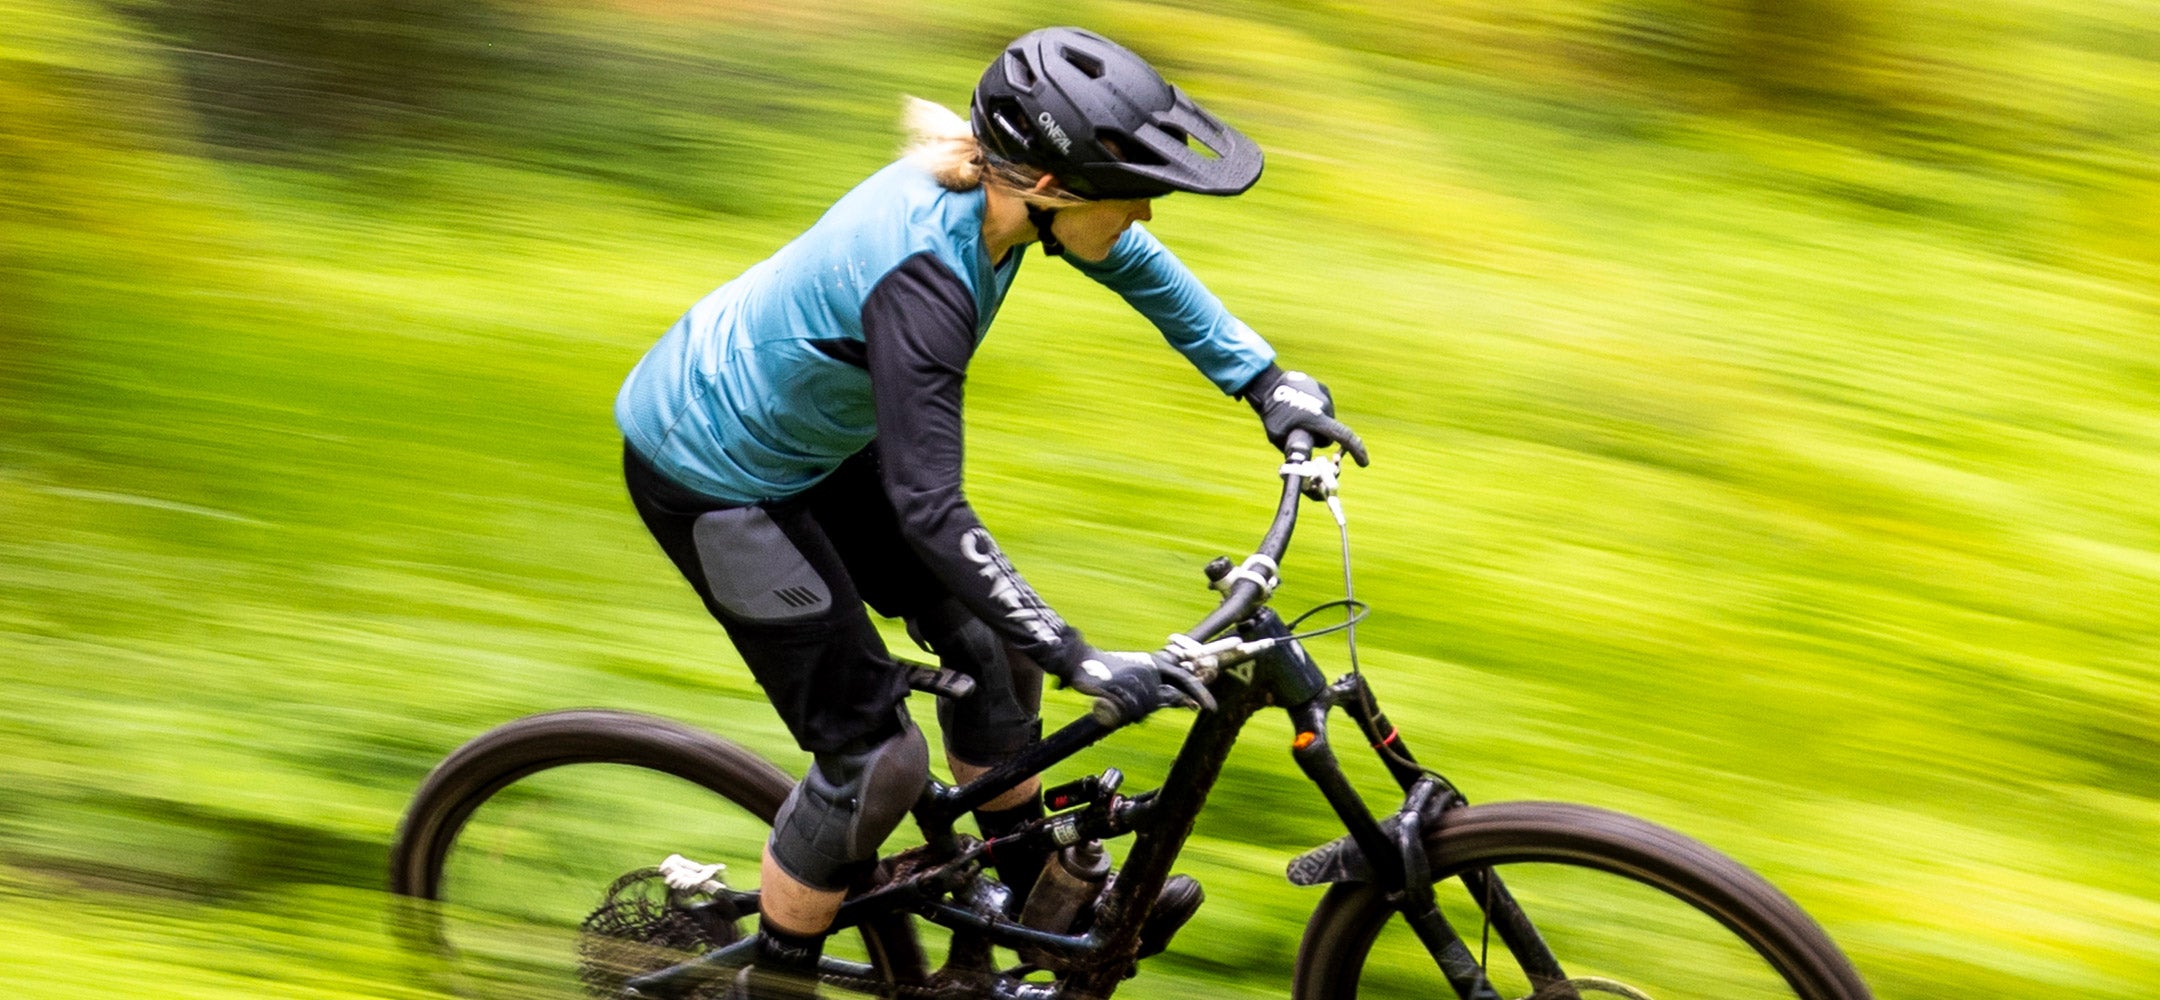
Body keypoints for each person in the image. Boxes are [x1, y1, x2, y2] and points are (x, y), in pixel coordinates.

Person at [614, 26, 1368, 999]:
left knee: (997, 651)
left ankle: (1029, 897)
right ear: (1048, 186)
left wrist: (1264, 382)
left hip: (816, 438)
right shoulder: (927, 281)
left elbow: (1136, 262)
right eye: (1129, 191)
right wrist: (1080, 655)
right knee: (877, 763)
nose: (1145, 210)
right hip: (714, 473)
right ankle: (780, 982)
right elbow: (930, 505)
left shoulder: (1009, 203)